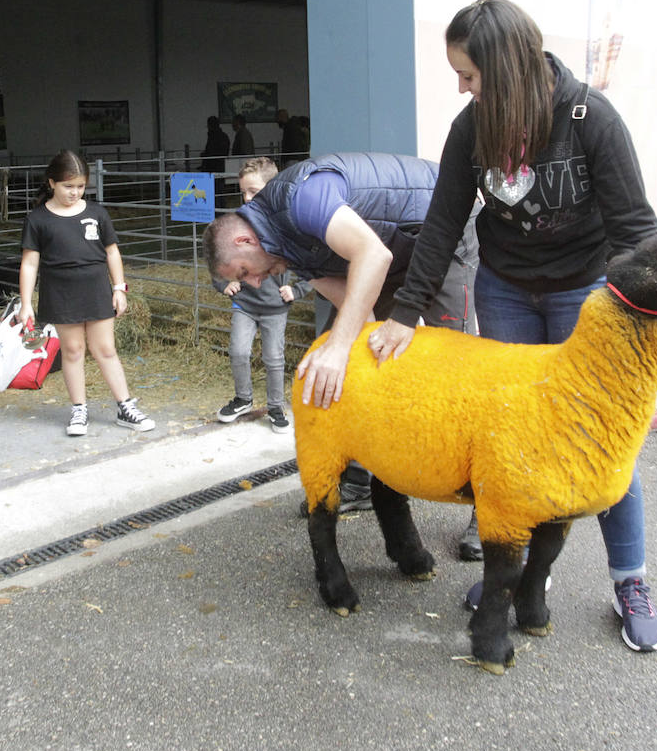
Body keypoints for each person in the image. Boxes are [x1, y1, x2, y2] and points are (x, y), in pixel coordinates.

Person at [371, 0, 657, 653]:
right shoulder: (470, 127)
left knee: (598, 445)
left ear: (504, 70)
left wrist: (640, 329)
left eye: (470, 75)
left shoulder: (590, 117)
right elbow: (444, 222)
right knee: (508, 431)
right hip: (506, 288)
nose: (462, 88)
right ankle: (519, 577)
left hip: (582, 294)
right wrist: (403, 315)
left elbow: (636, 233)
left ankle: (630, 581)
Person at [203, 151, 479, 509]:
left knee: (456, 369)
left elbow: (373, 256)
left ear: (244, 242)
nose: (254, 283)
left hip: (441, 227)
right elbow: (359, 316)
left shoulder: (300, 198)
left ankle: (486, 503)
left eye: (244, 273)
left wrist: (337, 348)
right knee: (357, 359)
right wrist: (348, 351)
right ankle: (360, 483)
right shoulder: (283, 249)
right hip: (392, 249)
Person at [18, 150, 156, 436]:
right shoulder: (39, 218)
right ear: (52, 182)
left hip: (95, 288)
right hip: (60, 291)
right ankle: (78, 409)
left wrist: (119, 288)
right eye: (68, 186)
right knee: (72, 350)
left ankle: (125, 406)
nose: (75, 192)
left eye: (80, 186)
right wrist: (25, 303)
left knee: (105, 349)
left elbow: (112, 252)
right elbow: (30, 263)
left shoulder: (96, 213)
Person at [212, 157, 310, 432]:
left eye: (254, 191)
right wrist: (224, 284)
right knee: (238, 351)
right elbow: (220, 260)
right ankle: (243, 398)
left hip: (274, 307)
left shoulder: (286, 224)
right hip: (244, 303)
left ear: (273, 188)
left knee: (273, 358)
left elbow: (310, 262)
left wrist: (297, 288)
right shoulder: (235, 223)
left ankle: (276, 406)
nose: (247, 198)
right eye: (243, 191)